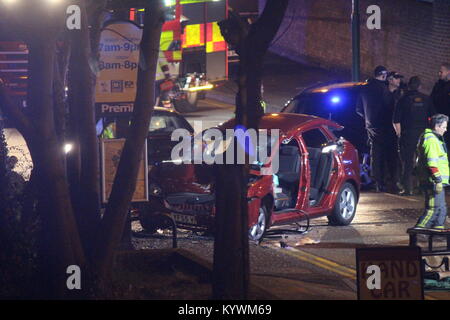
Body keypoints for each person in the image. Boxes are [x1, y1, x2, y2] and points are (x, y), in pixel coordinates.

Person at [393, 76, 436, 196]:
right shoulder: (426, 99)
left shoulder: (403, 100)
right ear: (420, 86)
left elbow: (396, 120)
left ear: (408, 86)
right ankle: (424, 188)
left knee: (407, 162)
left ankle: (407, 189)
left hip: (408, 135)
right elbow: (433, 118)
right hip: (424, 134)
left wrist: (400, 135)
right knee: (423, 161)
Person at [356, 65, 392, 192]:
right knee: (385, 154)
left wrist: (368, 119)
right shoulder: (383, 89)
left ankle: (376, 181)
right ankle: (383, 181)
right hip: (383, 125)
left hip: (370, 125)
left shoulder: (365, 88)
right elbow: (388, 107)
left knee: (375, 153)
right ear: (383, 75)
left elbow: (358, 109)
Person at [414, 114, 449, 230]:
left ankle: (438, 229)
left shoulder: (432, 138)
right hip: (433, 181)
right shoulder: (432, 140)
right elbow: (432, 163)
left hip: (436, 181)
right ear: (437, 126)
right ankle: (419, 231)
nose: (445, 129)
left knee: (441, 208)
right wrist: (438, 180)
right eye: (444, 127)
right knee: (433, 209)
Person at [385, 71, 405, 192]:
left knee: (396, 157)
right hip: (386, 130)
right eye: (396, 78)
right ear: (390, 80)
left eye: (399, 78)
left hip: (396, 130)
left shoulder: (400, 94)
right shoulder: (384, 93)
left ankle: (395, 180)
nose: (399, 81)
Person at [430, 63, 450, 146]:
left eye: (441, 72)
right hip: (438, 119)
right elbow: (432, 99)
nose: (439, 74)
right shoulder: (438, 85)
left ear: (448, 72)